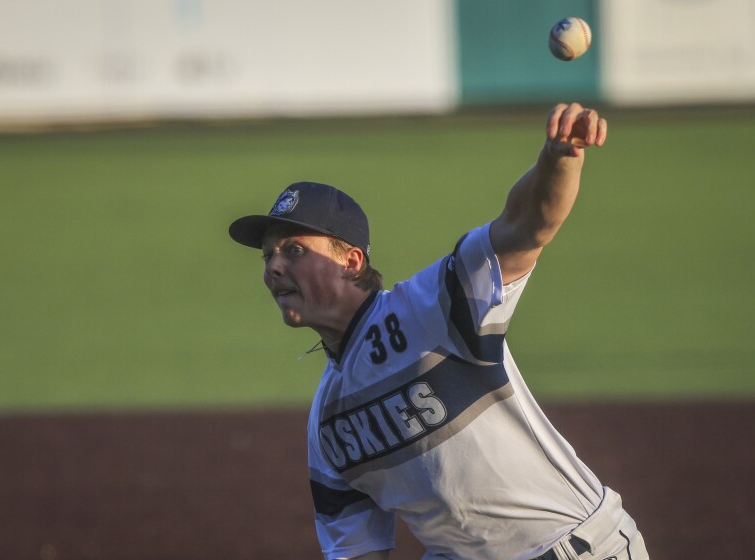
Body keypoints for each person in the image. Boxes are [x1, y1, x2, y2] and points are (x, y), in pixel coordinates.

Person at [228, 103, 649, 560]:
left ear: (350, 261)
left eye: (293, 250)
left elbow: (527, 226)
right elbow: (356, 550)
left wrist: (559, 157)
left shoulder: (434, 307)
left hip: (577, 549)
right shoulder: (328, 424)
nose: (273, 267)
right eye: (267, 255)